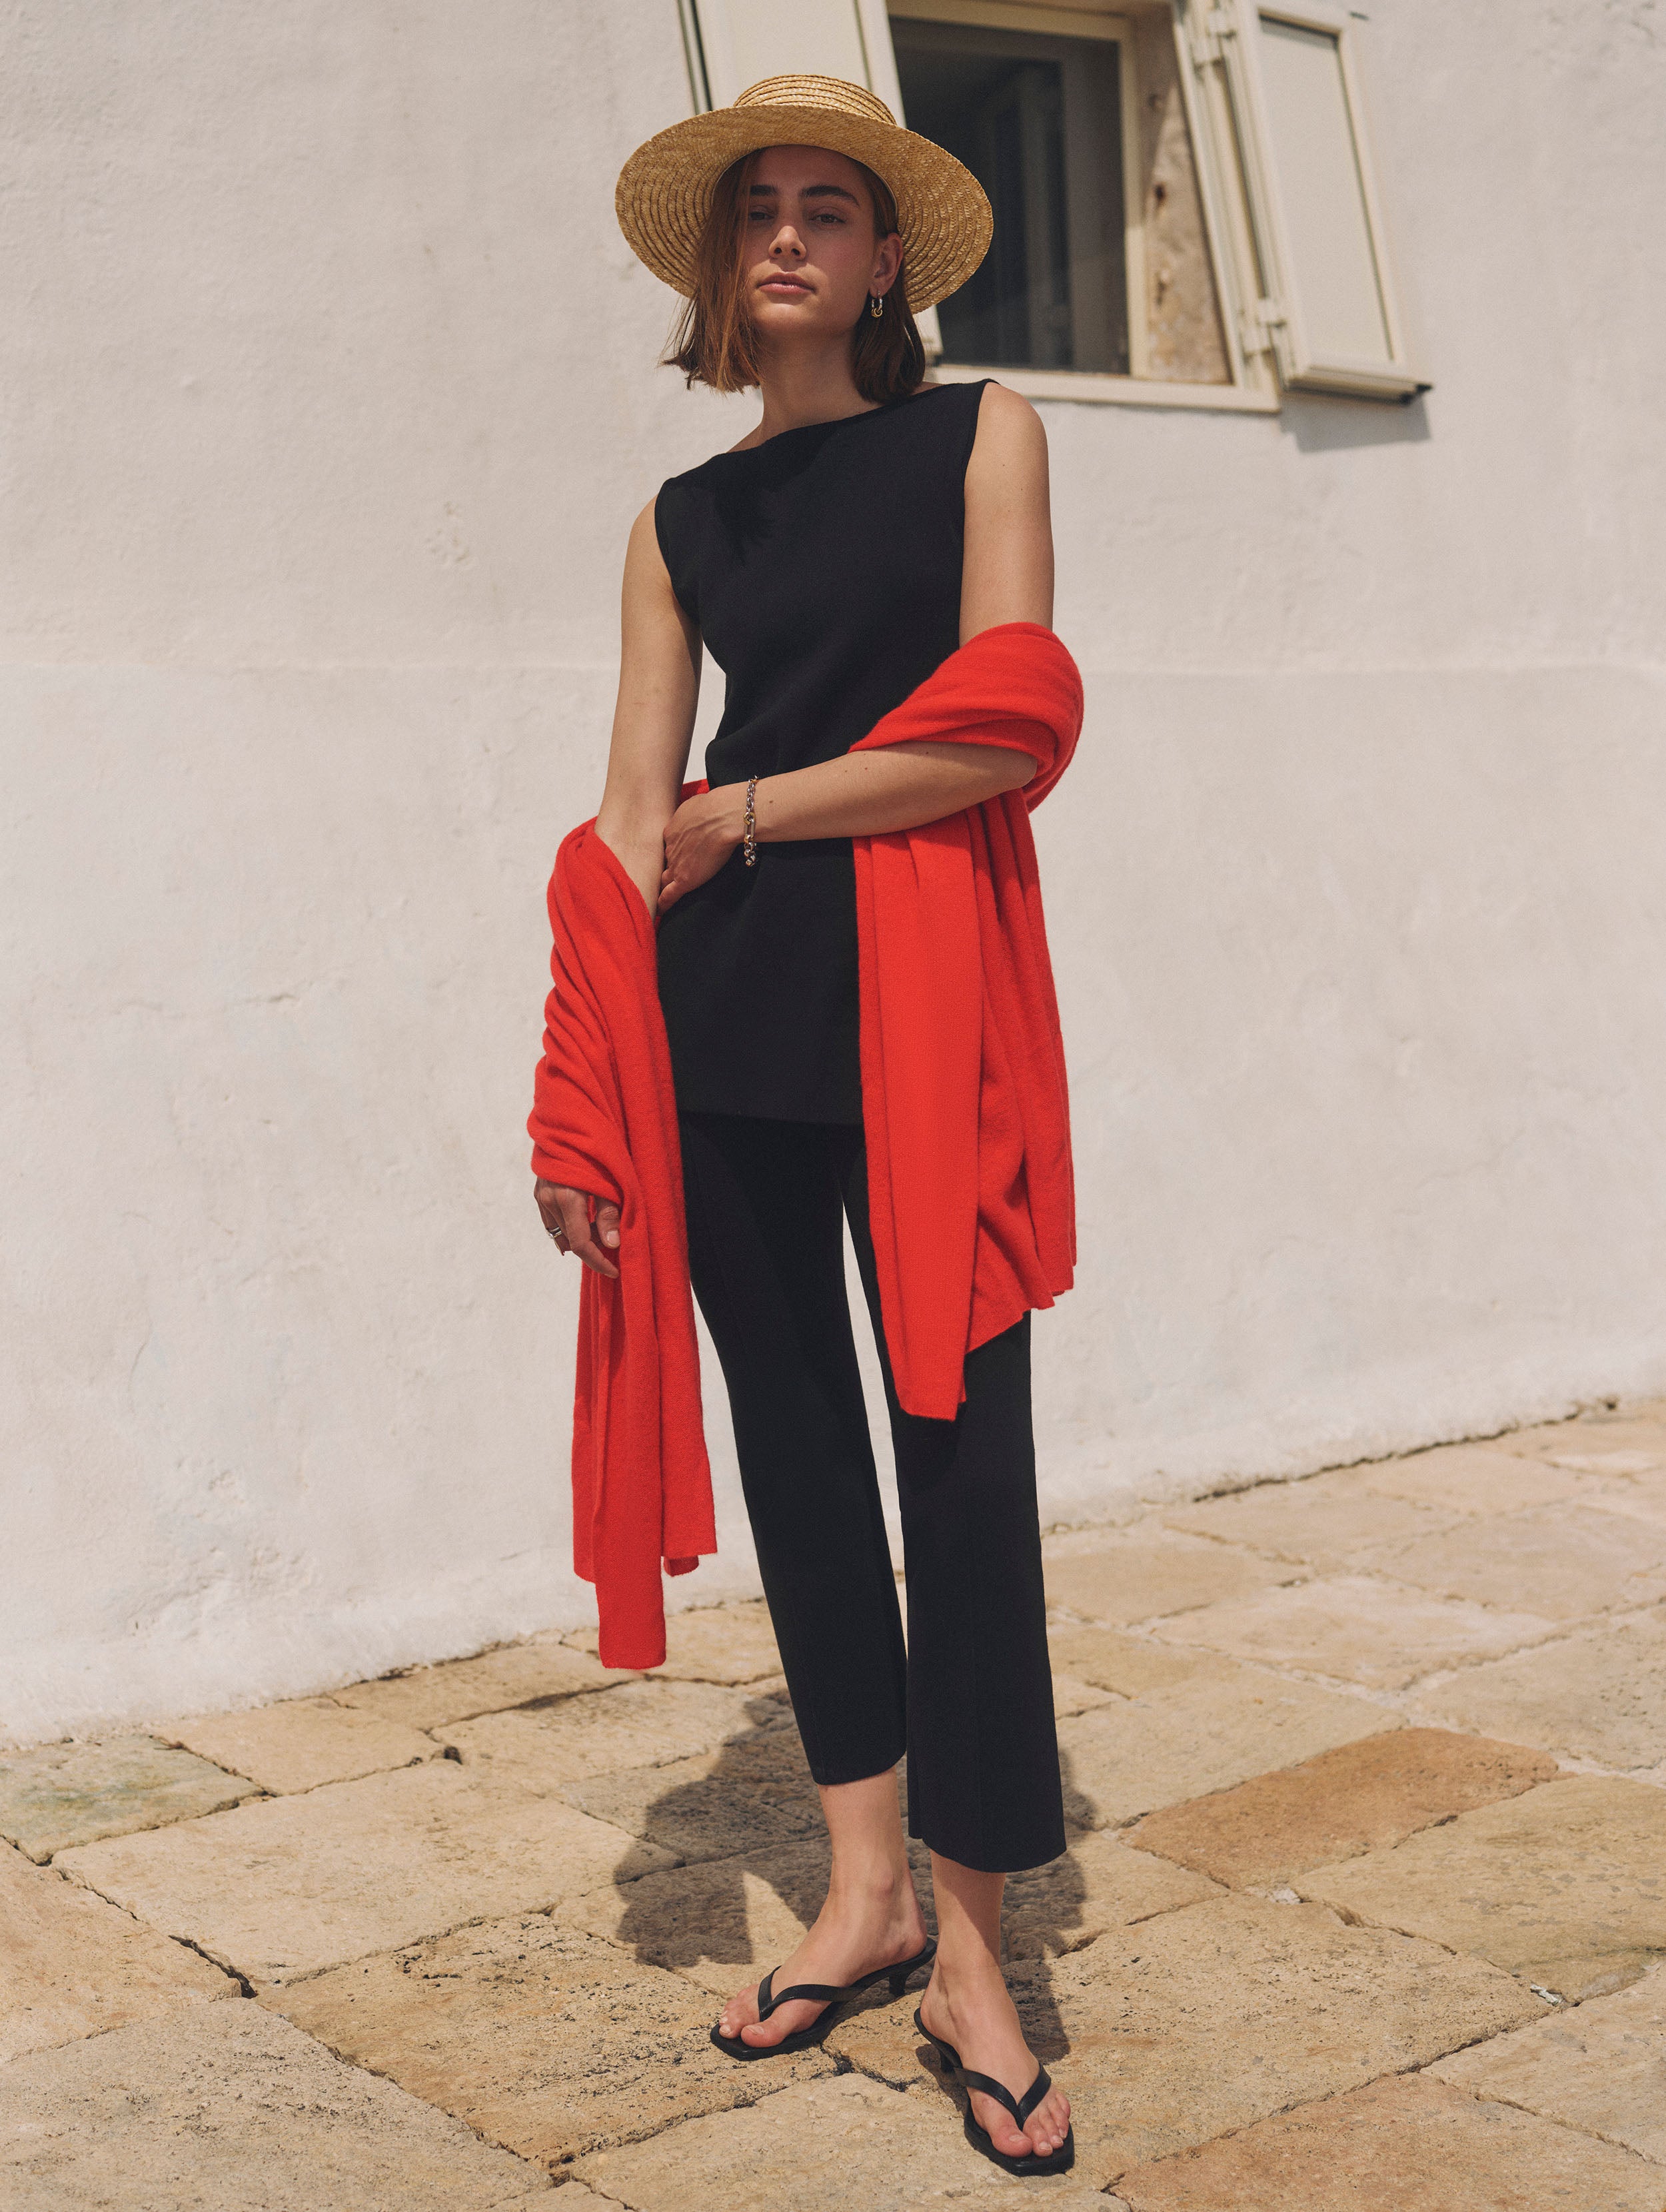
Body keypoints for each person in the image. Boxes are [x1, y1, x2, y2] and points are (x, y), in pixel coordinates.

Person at [534, 77, 1076, 2177]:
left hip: (930, 1021)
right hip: (718, 1029)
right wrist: (577, 1095)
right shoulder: (679, 521)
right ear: (718, 266)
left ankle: (974, 1953)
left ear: (880, 261)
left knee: (964, 1466)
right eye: (754, 207)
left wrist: (752, 806)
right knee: (800, 1458)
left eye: (825, 207)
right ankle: (862, 1897)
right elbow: (621, 823)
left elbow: (1007, 721)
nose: (784, 234)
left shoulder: (980, 435)